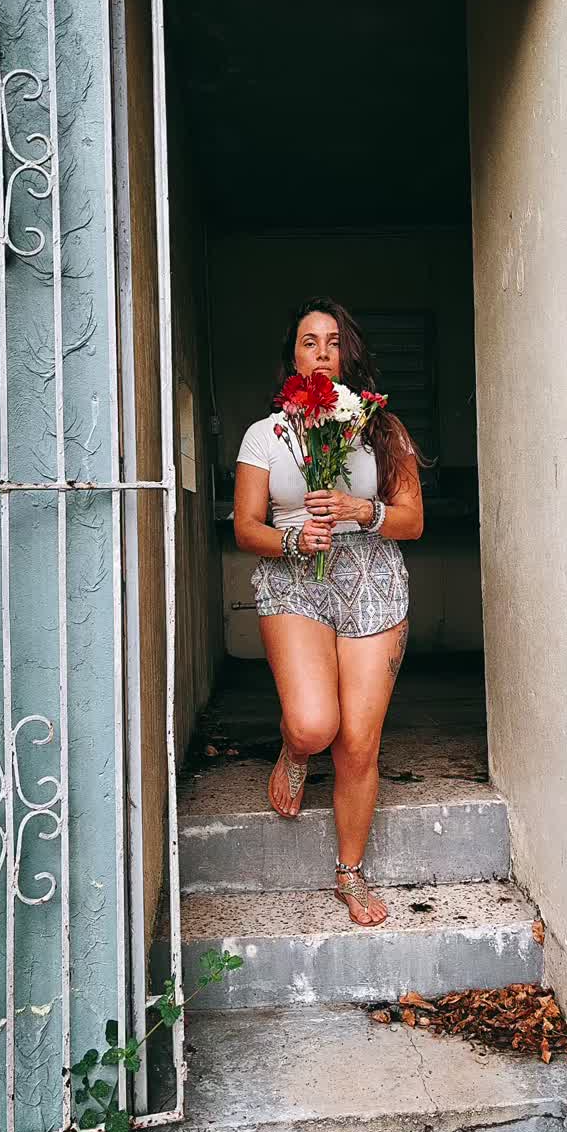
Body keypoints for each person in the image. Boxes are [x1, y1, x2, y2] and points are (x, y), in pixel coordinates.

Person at [234, 297, 425, 926]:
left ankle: (350, 871)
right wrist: (294, 539)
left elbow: (412, 520)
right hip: (295, 579)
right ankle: (294, 750)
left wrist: (358, 511)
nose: (321, 352)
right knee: (316, 726)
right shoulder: (266, 434)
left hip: (371, 577)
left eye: (333, 342)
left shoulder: (379, 427)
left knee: (357, 741)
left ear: (349, 354)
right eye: (309, 341)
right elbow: (244, 528)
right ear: (293, 355)